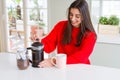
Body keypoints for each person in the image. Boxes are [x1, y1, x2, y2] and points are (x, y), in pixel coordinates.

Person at [31, 0, 97, 68]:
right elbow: (49, 44)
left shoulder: (91, 35)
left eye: (77, 16)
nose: (73, 19)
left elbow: (81, 57)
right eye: (71, 14)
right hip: (62, 67)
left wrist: (53, 61)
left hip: (81, 68)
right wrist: (39, 42)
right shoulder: (61, 26)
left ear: (84, 17)